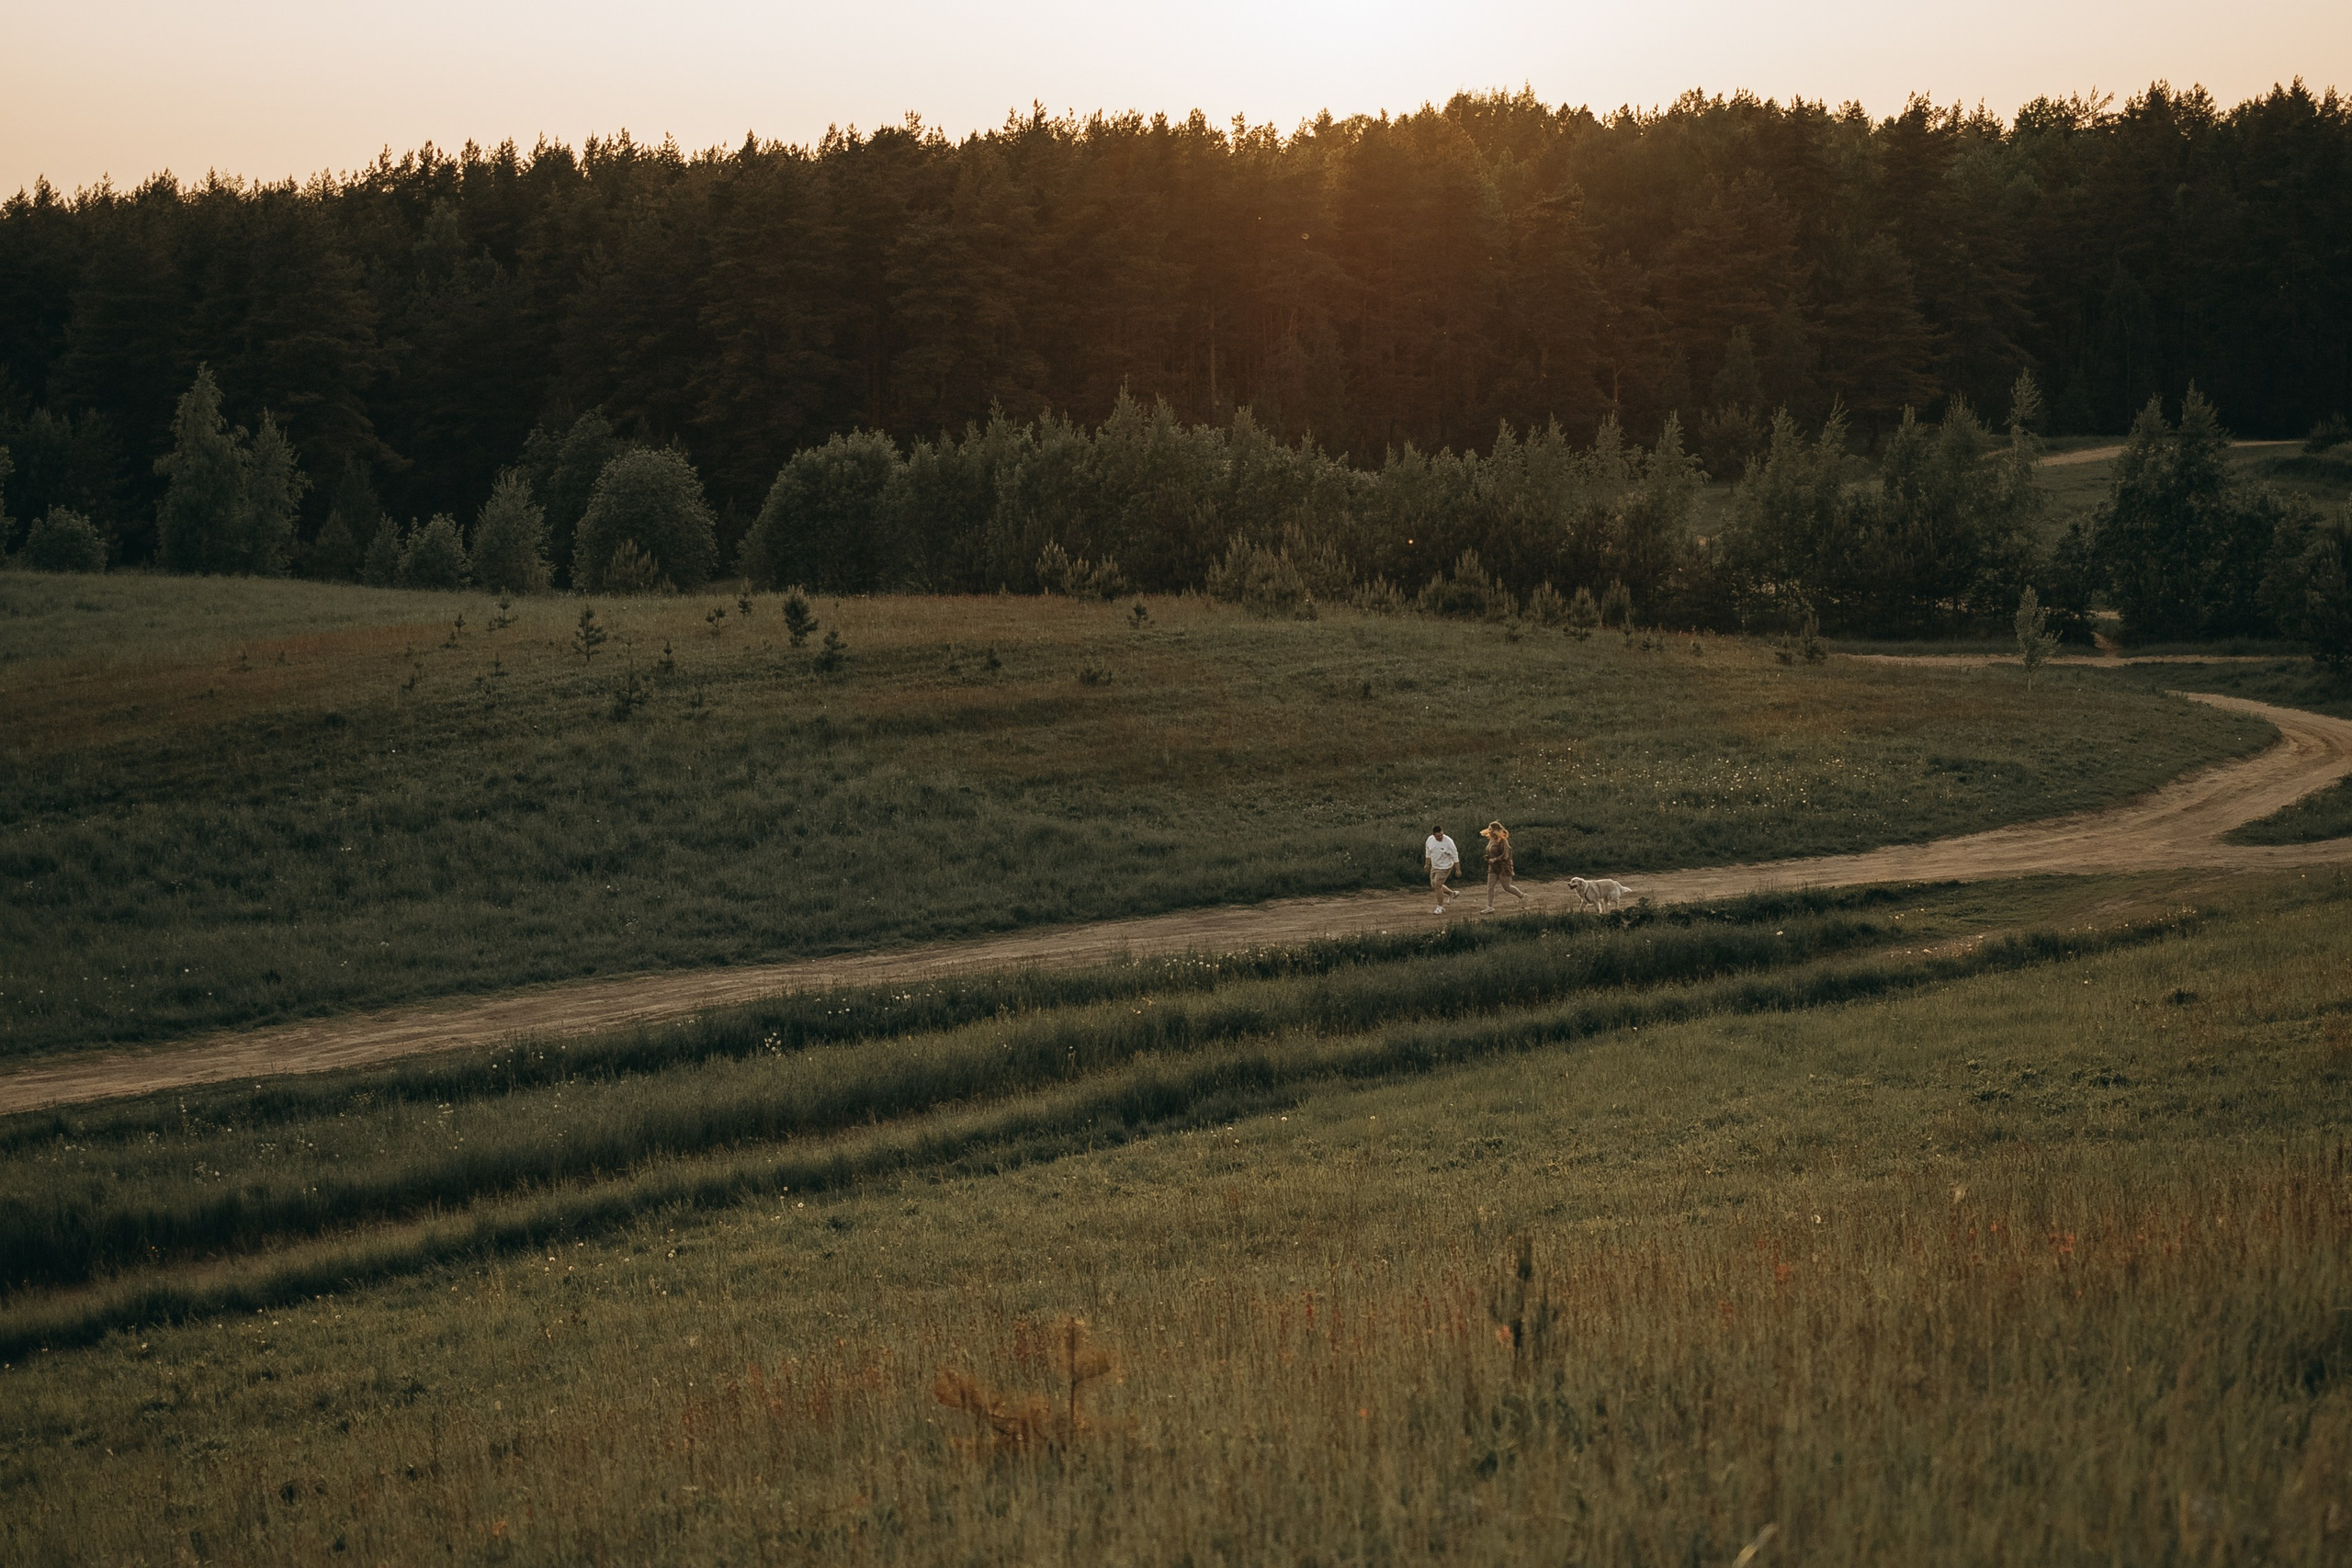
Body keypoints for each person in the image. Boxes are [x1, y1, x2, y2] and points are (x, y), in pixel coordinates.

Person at [1480, 820, 1526, 913]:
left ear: (1496, 830)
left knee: (1507, 887)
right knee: (1490, 886)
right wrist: (1488, 857)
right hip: (1493, 866)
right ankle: (1489, 906)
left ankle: (1522, 896)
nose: (1489, 831)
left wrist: (1495, 859)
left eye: (1491, 829)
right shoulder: (1491, 839)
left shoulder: (1503, 841)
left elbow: (1506, 855)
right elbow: (1491, 851)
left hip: (1504, 866)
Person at [1423, 823, 1461, 913]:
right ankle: (1452, 893)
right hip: (1435, 865)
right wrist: (1427, 864)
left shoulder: (1449, 842)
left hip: (1445, 866)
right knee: (1434, 885)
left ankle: (1440, 907)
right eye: (1438, 836)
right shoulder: (1430, 840)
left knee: (1438, 885)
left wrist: (1458, 869)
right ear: (1434, 835)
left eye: (1441, 835)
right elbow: (1428, 852)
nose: (1440, 837)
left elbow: (1455, 856)